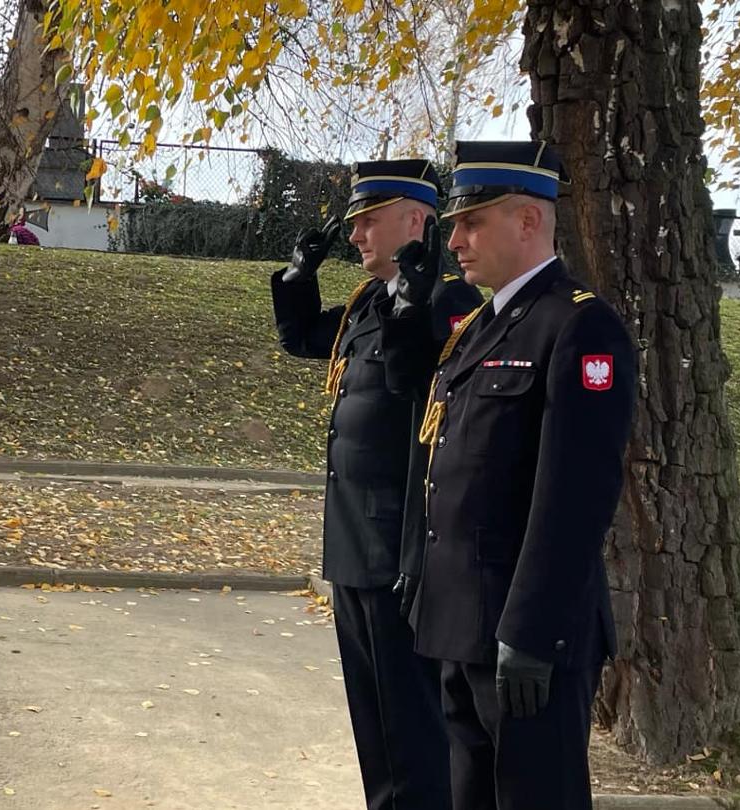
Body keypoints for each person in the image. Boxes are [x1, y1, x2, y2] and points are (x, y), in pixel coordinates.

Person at [386, 140, 637, 809]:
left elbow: (576, 497)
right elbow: (441, 459)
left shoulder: (580, 327)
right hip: (462, 624)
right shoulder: (477, 329)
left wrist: (530, 630)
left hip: (526, 637)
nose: (456, 240)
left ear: (528, 221)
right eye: (454, 225)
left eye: (473, 222)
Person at [271, 159, 480, 810]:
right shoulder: (367, 302)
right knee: (376, 720)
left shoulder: (451, 303)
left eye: (369, 220)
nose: (357, 234)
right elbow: (305, 337)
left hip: (402, 548)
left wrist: (413, 305)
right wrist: (299, 276)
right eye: (355, 222)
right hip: (355, 544)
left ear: (415, 221)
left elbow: (413, 380)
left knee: (414, 724)